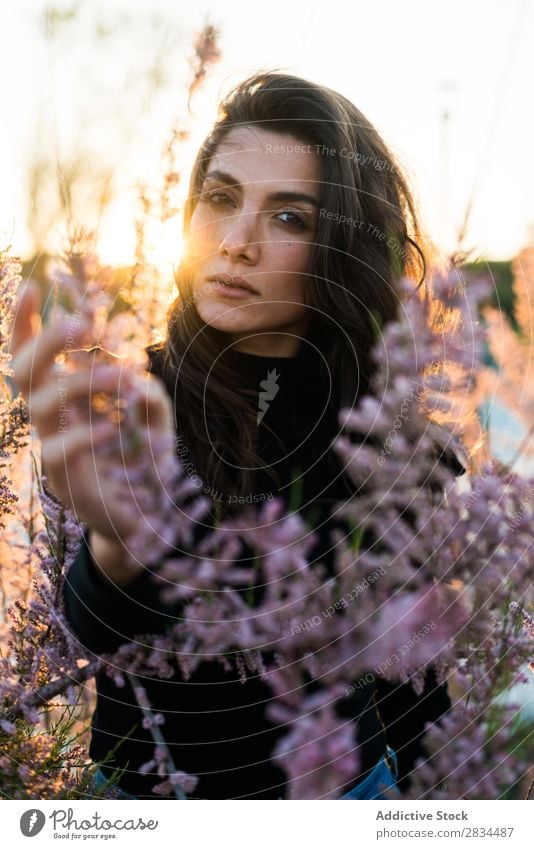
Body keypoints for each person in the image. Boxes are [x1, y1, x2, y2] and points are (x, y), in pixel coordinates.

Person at [12, 72, 463, 800]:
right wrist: (120, 550)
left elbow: (416, 693)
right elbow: (87, 635)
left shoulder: (394, 443)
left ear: (339, 249)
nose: (237, 242)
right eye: (221, 199)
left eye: (290, 217)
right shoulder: (124, 408)